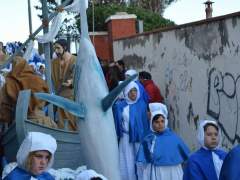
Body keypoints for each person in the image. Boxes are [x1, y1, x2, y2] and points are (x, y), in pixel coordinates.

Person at [136, 102, 190, 180]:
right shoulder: (148, 139)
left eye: (162, 121)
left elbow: (183, 159)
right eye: (157, 122)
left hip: (173, 172)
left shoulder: (174, 138)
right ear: (151, 123)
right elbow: (142, 163)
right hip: (157, 172)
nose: (160, 124)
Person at [0, 56, 57, 128]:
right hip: (44, 122)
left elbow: (5, 108)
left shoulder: (10, 83)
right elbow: (47, 99)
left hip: (21, 124)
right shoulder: (38, 80)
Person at [113, 81, 149, 180]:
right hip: (126, 137)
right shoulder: (120, 106)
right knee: (127, 159)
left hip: (139, 137)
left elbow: (145, 124)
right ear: (126, 92)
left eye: (135, 90)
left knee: (140, 159)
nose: (133, 93)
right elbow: (117, 123)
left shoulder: (142, 105)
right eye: (131, 91)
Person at [51, 39, 77, 131]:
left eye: (58, 48)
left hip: (72, 97)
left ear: (65, 47)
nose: (56, 51)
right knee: (61, 124)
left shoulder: (75, 60)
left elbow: (78, 75)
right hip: (59, 97)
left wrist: (72, 81)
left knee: (72, 123)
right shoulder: (54, 62)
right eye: (55, 48)